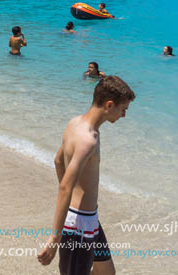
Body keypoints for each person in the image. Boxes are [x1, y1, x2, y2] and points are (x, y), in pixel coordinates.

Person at [37, 76, 136, 274]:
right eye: (123, 109)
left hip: (90, 221)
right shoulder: (88, 140)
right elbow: (65, 185)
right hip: (79, 226)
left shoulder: (74, 123)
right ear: (109, 104)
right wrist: (55, 238)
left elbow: (58, 161)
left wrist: (74, 196)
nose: (124, 115)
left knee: (106, 272)